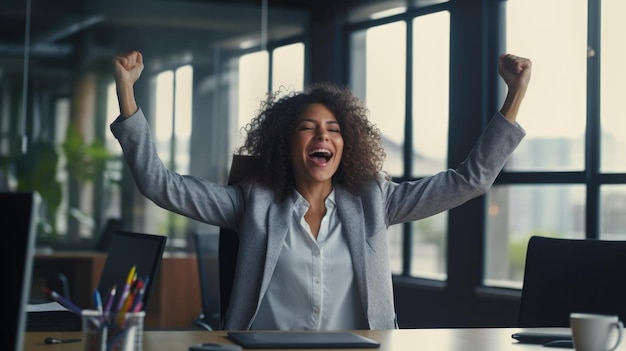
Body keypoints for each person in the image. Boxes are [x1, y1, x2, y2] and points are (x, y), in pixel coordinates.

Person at [111, 50, 531, 331]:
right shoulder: (251, 203)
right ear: (285, 143)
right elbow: (160, 184)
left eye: (332, 130)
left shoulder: (374, 201)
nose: (321, 136)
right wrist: (127, 92)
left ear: (345, 145)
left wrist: (514, 96)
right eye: (307, 128)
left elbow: (469, 181)